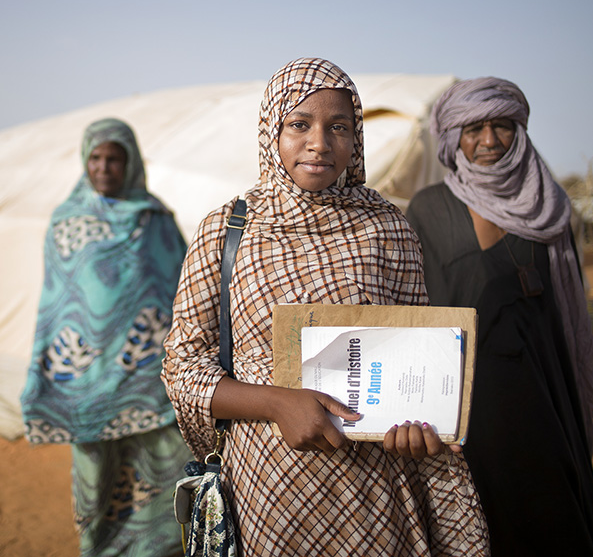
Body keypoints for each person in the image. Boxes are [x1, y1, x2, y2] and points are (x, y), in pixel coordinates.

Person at [162, 58, 489, 556]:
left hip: (372, 492)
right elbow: (183, 368)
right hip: (268, 494)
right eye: (300, 124)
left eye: (339, 126)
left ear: (356, 137)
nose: (320, 142)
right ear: (272, 130)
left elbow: (414, 358)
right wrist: (276, 402)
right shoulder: (227, 231)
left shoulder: (388, 228)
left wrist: (415, 425)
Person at [405, 77, 593, 557]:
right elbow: (415, 315)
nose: (490, 141)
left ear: (519, 133)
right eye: (474, 128)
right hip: (465, 411)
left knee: (553, 521)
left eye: (502, 126)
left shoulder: (548, 206)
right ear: (453, 137)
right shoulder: (429, 210)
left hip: (543, 400)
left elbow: (568, 315)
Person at [21, 118, 191, 557]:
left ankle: (161, 549)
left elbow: (183, 290)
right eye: (96, 158)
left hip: (149, 381)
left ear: (131, 162)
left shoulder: (156, 219)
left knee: (160, 469)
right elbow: (54, 306)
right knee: (97, 478)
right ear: (84, 160)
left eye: (115, 158)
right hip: (88, 383)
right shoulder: (65, 223)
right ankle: (98, 547)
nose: (104, 167)